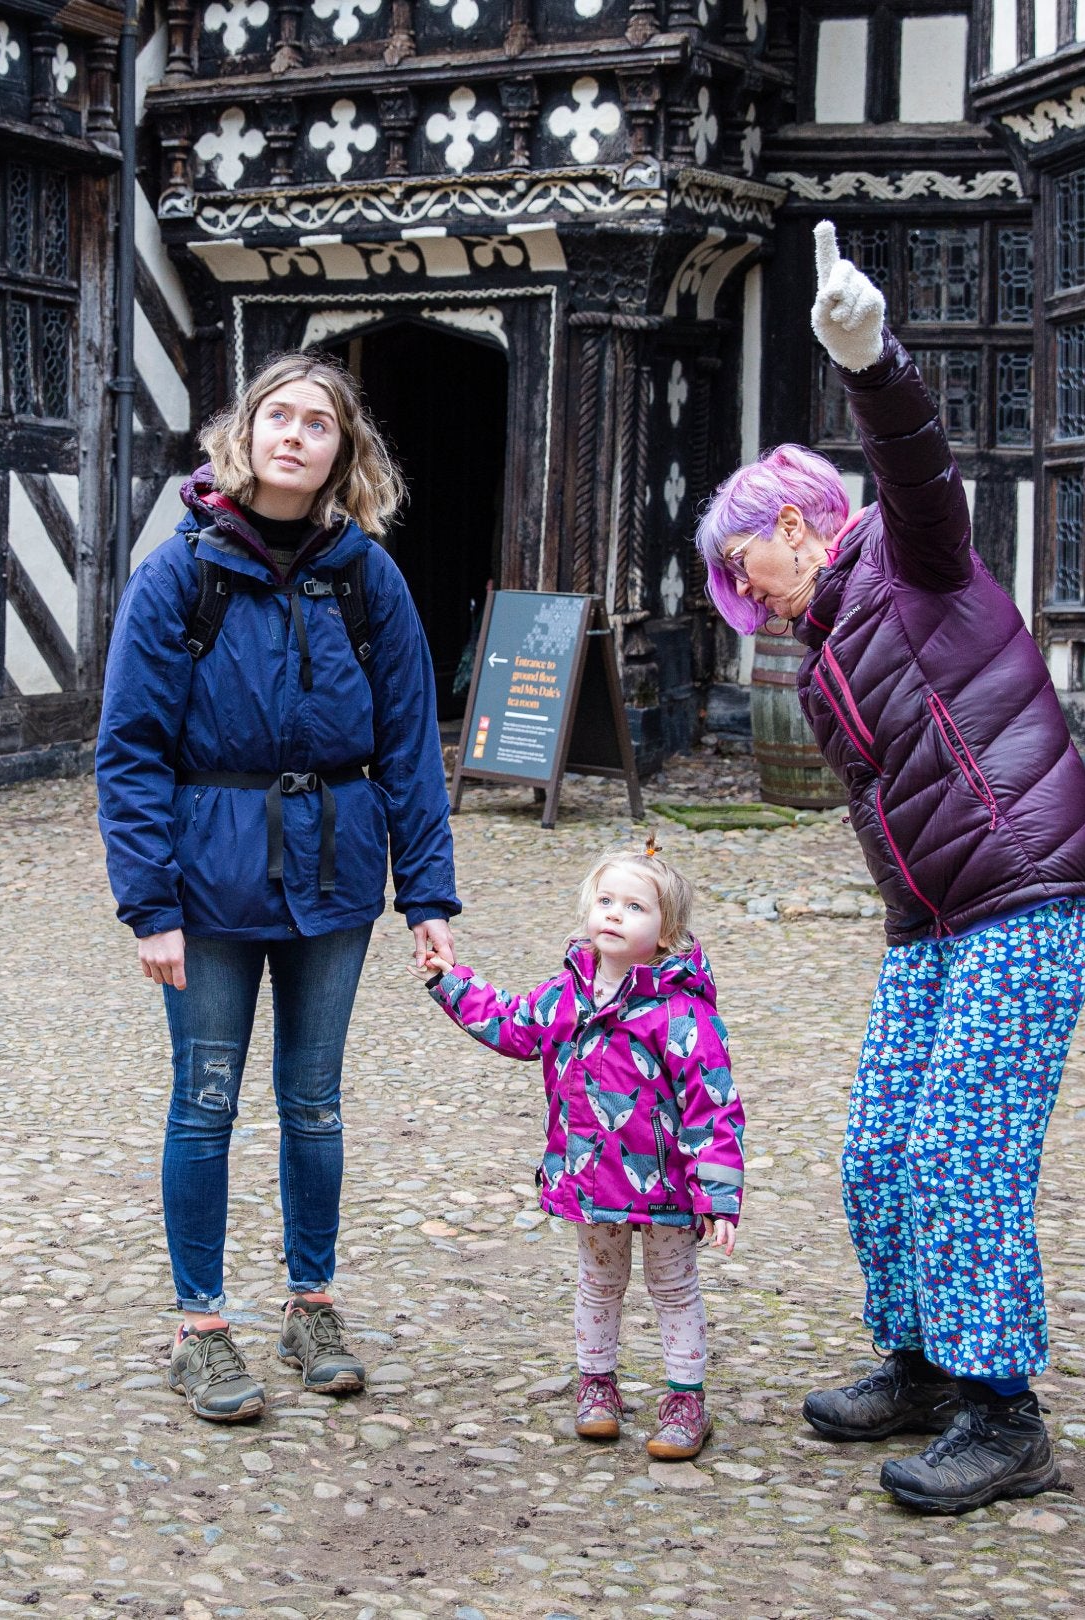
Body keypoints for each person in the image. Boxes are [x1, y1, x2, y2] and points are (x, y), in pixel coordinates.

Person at [690, 223, 1085, 1515]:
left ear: (802, 524)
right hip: (933, 922)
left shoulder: (904, 552)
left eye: (743, 562)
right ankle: (927, 1362)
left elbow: (920, 470)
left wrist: (870, 363)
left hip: (1032, 890)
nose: (740, 593)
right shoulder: (820, 651)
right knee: (880, 1149)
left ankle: (1006, 1414)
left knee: (960, 1150)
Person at [97, 351, 460, 1425]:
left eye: (318, 423)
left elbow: (409, 747)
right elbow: (129, 750)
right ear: (244, 433)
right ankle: (200, 1328)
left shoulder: (367, 579)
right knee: (205, 1105)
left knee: (314, 1103)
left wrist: (427, 894)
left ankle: (311, 1306)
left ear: (345, 453)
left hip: (336, 877)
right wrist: (148, 902)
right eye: (277, 416)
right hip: (208, 882)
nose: (294, 434)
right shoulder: (180, 575)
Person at [413, 850, 743, 1460]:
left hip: (666, 1187)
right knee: (598, 1282)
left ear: (666, 931)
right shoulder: (566, 996)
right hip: (589, 1178)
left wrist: (718, 1196)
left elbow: (712, 1108)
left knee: (673, 1287)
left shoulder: (682, 1015)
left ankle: (686, 1400)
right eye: (606, 902)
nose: (615, 915)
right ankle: (597, 1387)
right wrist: (448, 982)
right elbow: (512, 1025)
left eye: (635, 907)